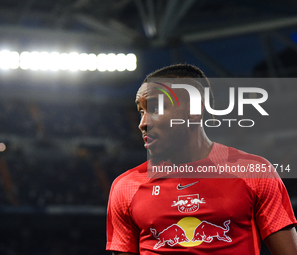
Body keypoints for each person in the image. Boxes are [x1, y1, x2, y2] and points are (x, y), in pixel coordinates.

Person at [106, 64, 297, 255]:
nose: (143, 123)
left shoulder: (255, 172)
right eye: (141, 111)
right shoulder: (126, 186)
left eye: (156, 108)